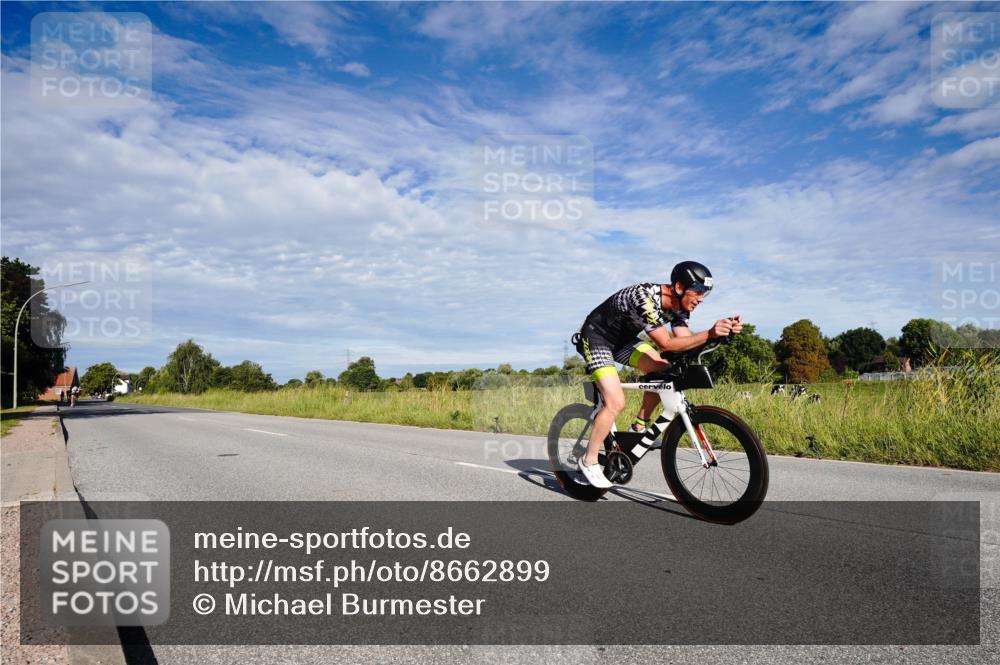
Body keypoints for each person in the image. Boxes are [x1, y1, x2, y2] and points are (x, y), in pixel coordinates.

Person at [572, 261, 742, 488]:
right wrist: (709, 332)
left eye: (705, 294)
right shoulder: (644, 297)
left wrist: (719, 334)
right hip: (597, 338)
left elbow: (685, 342)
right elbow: (667, 343)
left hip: (623, 341)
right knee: (615, 402)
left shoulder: (681, 307)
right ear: (680, 287)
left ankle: (638, 427)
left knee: (664, 370)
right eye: (699, 291)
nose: (701, 298)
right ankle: (589, 460)